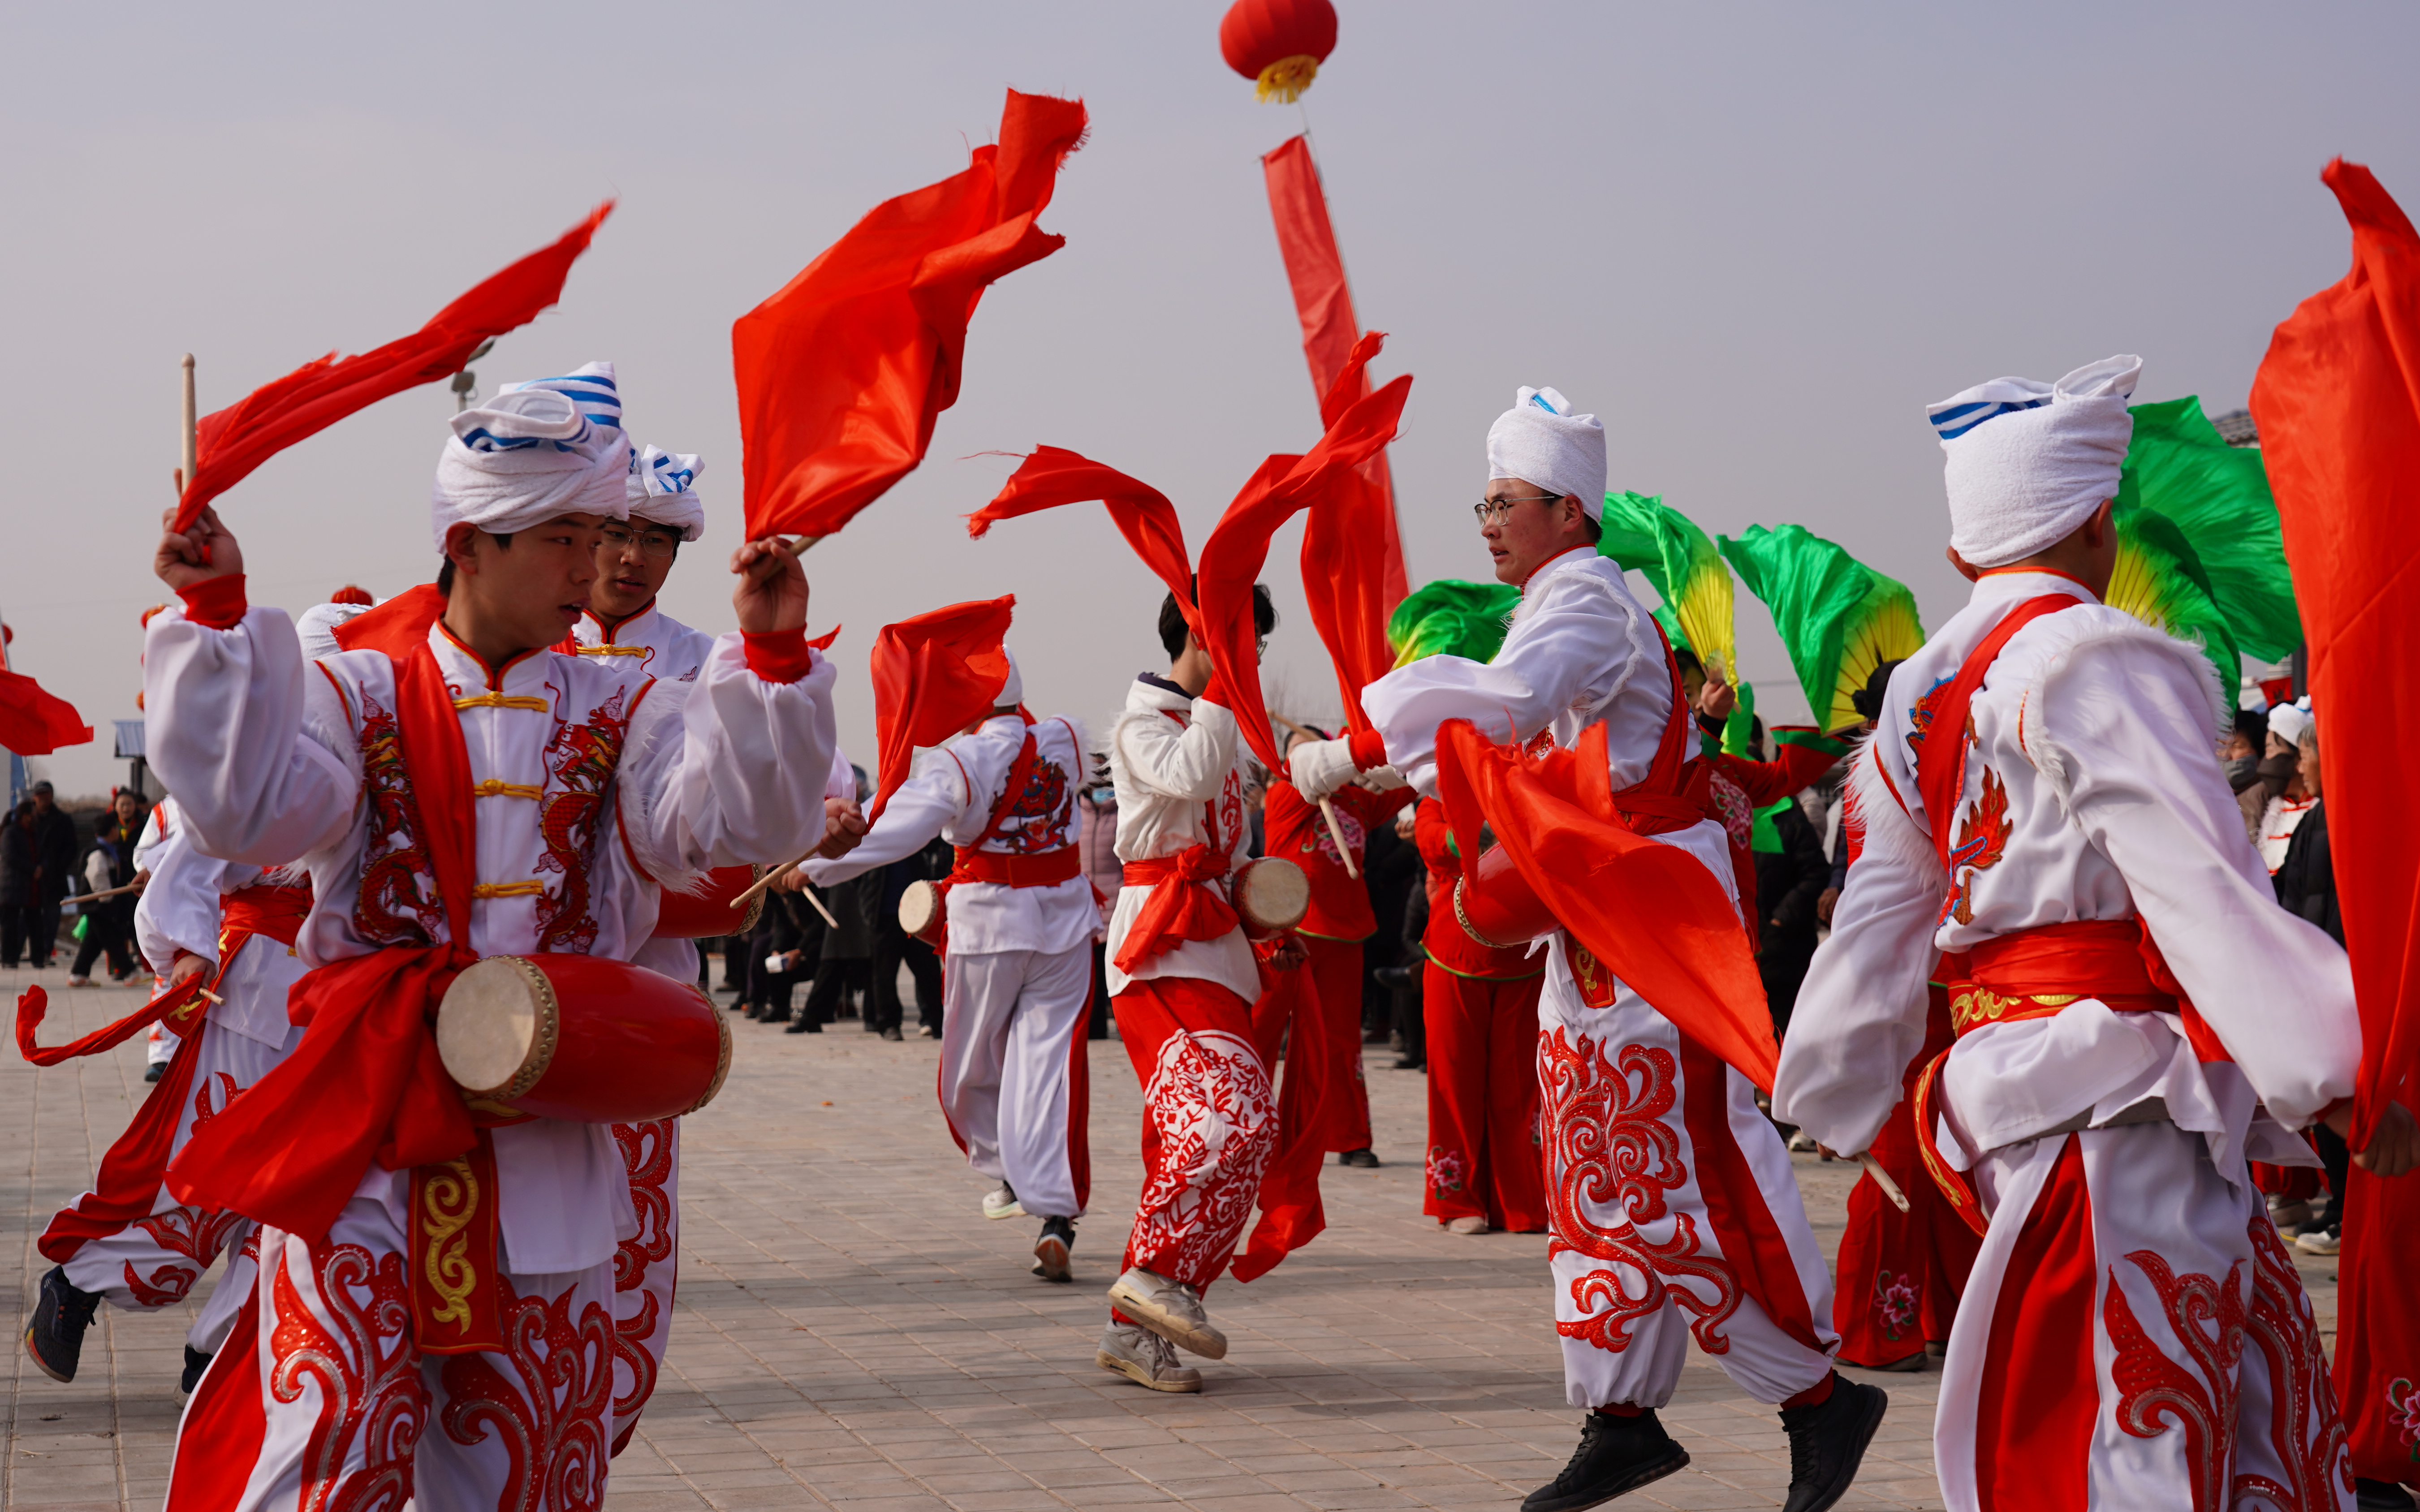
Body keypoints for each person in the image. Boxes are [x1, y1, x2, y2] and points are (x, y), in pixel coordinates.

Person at [141, 364, 838, 1507]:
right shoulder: (355, 694)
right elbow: (252, 810)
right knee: (331, 1444)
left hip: (545, 1144)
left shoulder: (626, 707)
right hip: (370, 1133)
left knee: (524, 1467)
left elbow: (724, 829)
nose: (591, 565)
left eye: (597, 533)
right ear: (470, 543)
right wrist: (217, 623)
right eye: (562, 537)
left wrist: (767, 662)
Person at [1775, 354, 2403, 1511]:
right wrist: (2338, 1068)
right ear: (2098, 522)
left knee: (2196, 1393)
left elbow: (1882, 906)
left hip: (2006, 1076)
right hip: (2115, 1085)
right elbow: (2199, 883)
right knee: (2144, 1423)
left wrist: (1831, 1079)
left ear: (1966, 549)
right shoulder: (2099, 656)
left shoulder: (1924, 686)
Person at [1298, 385, 1878, 1512]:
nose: (1483, 521)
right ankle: (1620, 1418)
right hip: (1596, 918)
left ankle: (1816, 1400)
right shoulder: (1568, 599)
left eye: (1501, 501)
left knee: (1676, 1164)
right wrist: (1386, 768)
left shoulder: (1582, 602)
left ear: (1568, 511)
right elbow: (1501, 736)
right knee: (1590, 1168)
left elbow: (1506, 703)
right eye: (1481, 501)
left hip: (1649, 923)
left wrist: (1357, 744)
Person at [803, 650, 1101, 1281]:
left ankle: (1011, 1172)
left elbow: (892, 834)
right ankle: (1053, 1209)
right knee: (1047, 1066)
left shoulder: (959, 762)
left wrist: (812, 866)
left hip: (991, 925)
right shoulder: (1067, 735)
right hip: (1067, 922)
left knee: (967, 1071)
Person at [23, 780, 311, 1396]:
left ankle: (222, 1350)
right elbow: (194, 841)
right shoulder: (296, 732)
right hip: (258, 989)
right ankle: (82, 1277)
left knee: (308, 1192)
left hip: (347, 999)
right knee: (208, 1184)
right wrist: (185, 942)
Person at [1094, 583, 1299, 1395]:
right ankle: (1153, 1280)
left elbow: (1231, 845)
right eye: (1246, 641)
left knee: (1220, 1134)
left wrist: (1266, 916)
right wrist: (1225, 693)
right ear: (1205, 635)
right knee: (1227, 1123)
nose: (1256, 660)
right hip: (1159, 952)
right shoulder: (1143, 724)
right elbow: (1186, 774)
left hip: (1215, 946)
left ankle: (1139, 1323)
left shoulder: (1216, 727)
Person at [1265, 725, 1414, 1167]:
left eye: (1314, 746)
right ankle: (1253, 1132)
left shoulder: (1357, 800)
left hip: (1345, 934)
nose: (1304, 756)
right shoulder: (1286, 796)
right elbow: (1310, 770)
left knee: (1342, 1041)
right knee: (1267, 1034)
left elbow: (1403, 787)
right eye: (1295, 750)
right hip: (1291, 932)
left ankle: (1352, 1137)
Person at [1411, 796, 1545, 1236]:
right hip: (1455, 955)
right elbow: (1431, 841)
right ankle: (1458, 1198)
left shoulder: (1531, 784)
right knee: (1455, 1080)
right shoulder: (1440, 795)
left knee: (1520, 1085)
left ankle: (1521, 1200)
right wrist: (1477, 832)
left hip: (1524, 955)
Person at [67, 789, 148, 985]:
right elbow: (97, 877)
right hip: (99, 904)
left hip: (104, 905)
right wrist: (106, 899)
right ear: (112, 830)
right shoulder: (98, 852)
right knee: (112, 940)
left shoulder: (110, 849)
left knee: (94, 942)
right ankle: (130, 973)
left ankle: (78, 974)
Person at [25, 780, 77, 967]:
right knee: (28, 918)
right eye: (40, 794)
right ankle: (31, 953)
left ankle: (46, 952)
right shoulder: (26, 819)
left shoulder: (62, 820)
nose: (44, 798)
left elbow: (72, 848)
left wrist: (55, 867)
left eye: (47, 794)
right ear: (34, 798)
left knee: (52, 918)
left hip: (54, 878)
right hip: (30, 879)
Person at [1, 798, 40, 966]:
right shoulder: (10, 832)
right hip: (12, 886)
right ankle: (9, 959)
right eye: (33, 814)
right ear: (26, 816)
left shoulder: (33, 832)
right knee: (10, 926)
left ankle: (39, 959)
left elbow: (42, 853)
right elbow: (10, 857)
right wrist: (33, 870)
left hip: (31, 887)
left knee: (36, 924)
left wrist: (42, 867)